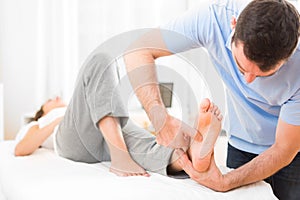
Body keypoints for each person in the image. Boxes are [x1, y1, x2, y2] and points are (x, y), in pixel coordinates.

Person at [124, 0, 300, 199]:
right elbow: (138, 50)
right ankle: (198, 152)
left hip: (292, 152)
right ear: (233, 26)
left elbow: (284, 149)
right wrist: (159, 117)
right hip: (241, 142)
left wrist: (225, 182)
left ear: (289, 56)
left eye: (263, 75)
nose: (248, 82)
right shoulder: (214, 19)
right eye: (241, 68)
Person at [55, 53, 223, 177]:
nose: (55, 98)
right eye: (49, 100)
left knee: (144, 143)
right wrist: (50, 118)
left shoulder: (96, 101)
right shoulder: (53, 116)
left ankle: (187, 158)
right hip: (75, 143)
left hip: (105, 137)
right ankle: (119, 155)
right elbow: (27, 143)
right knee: (101, 59)